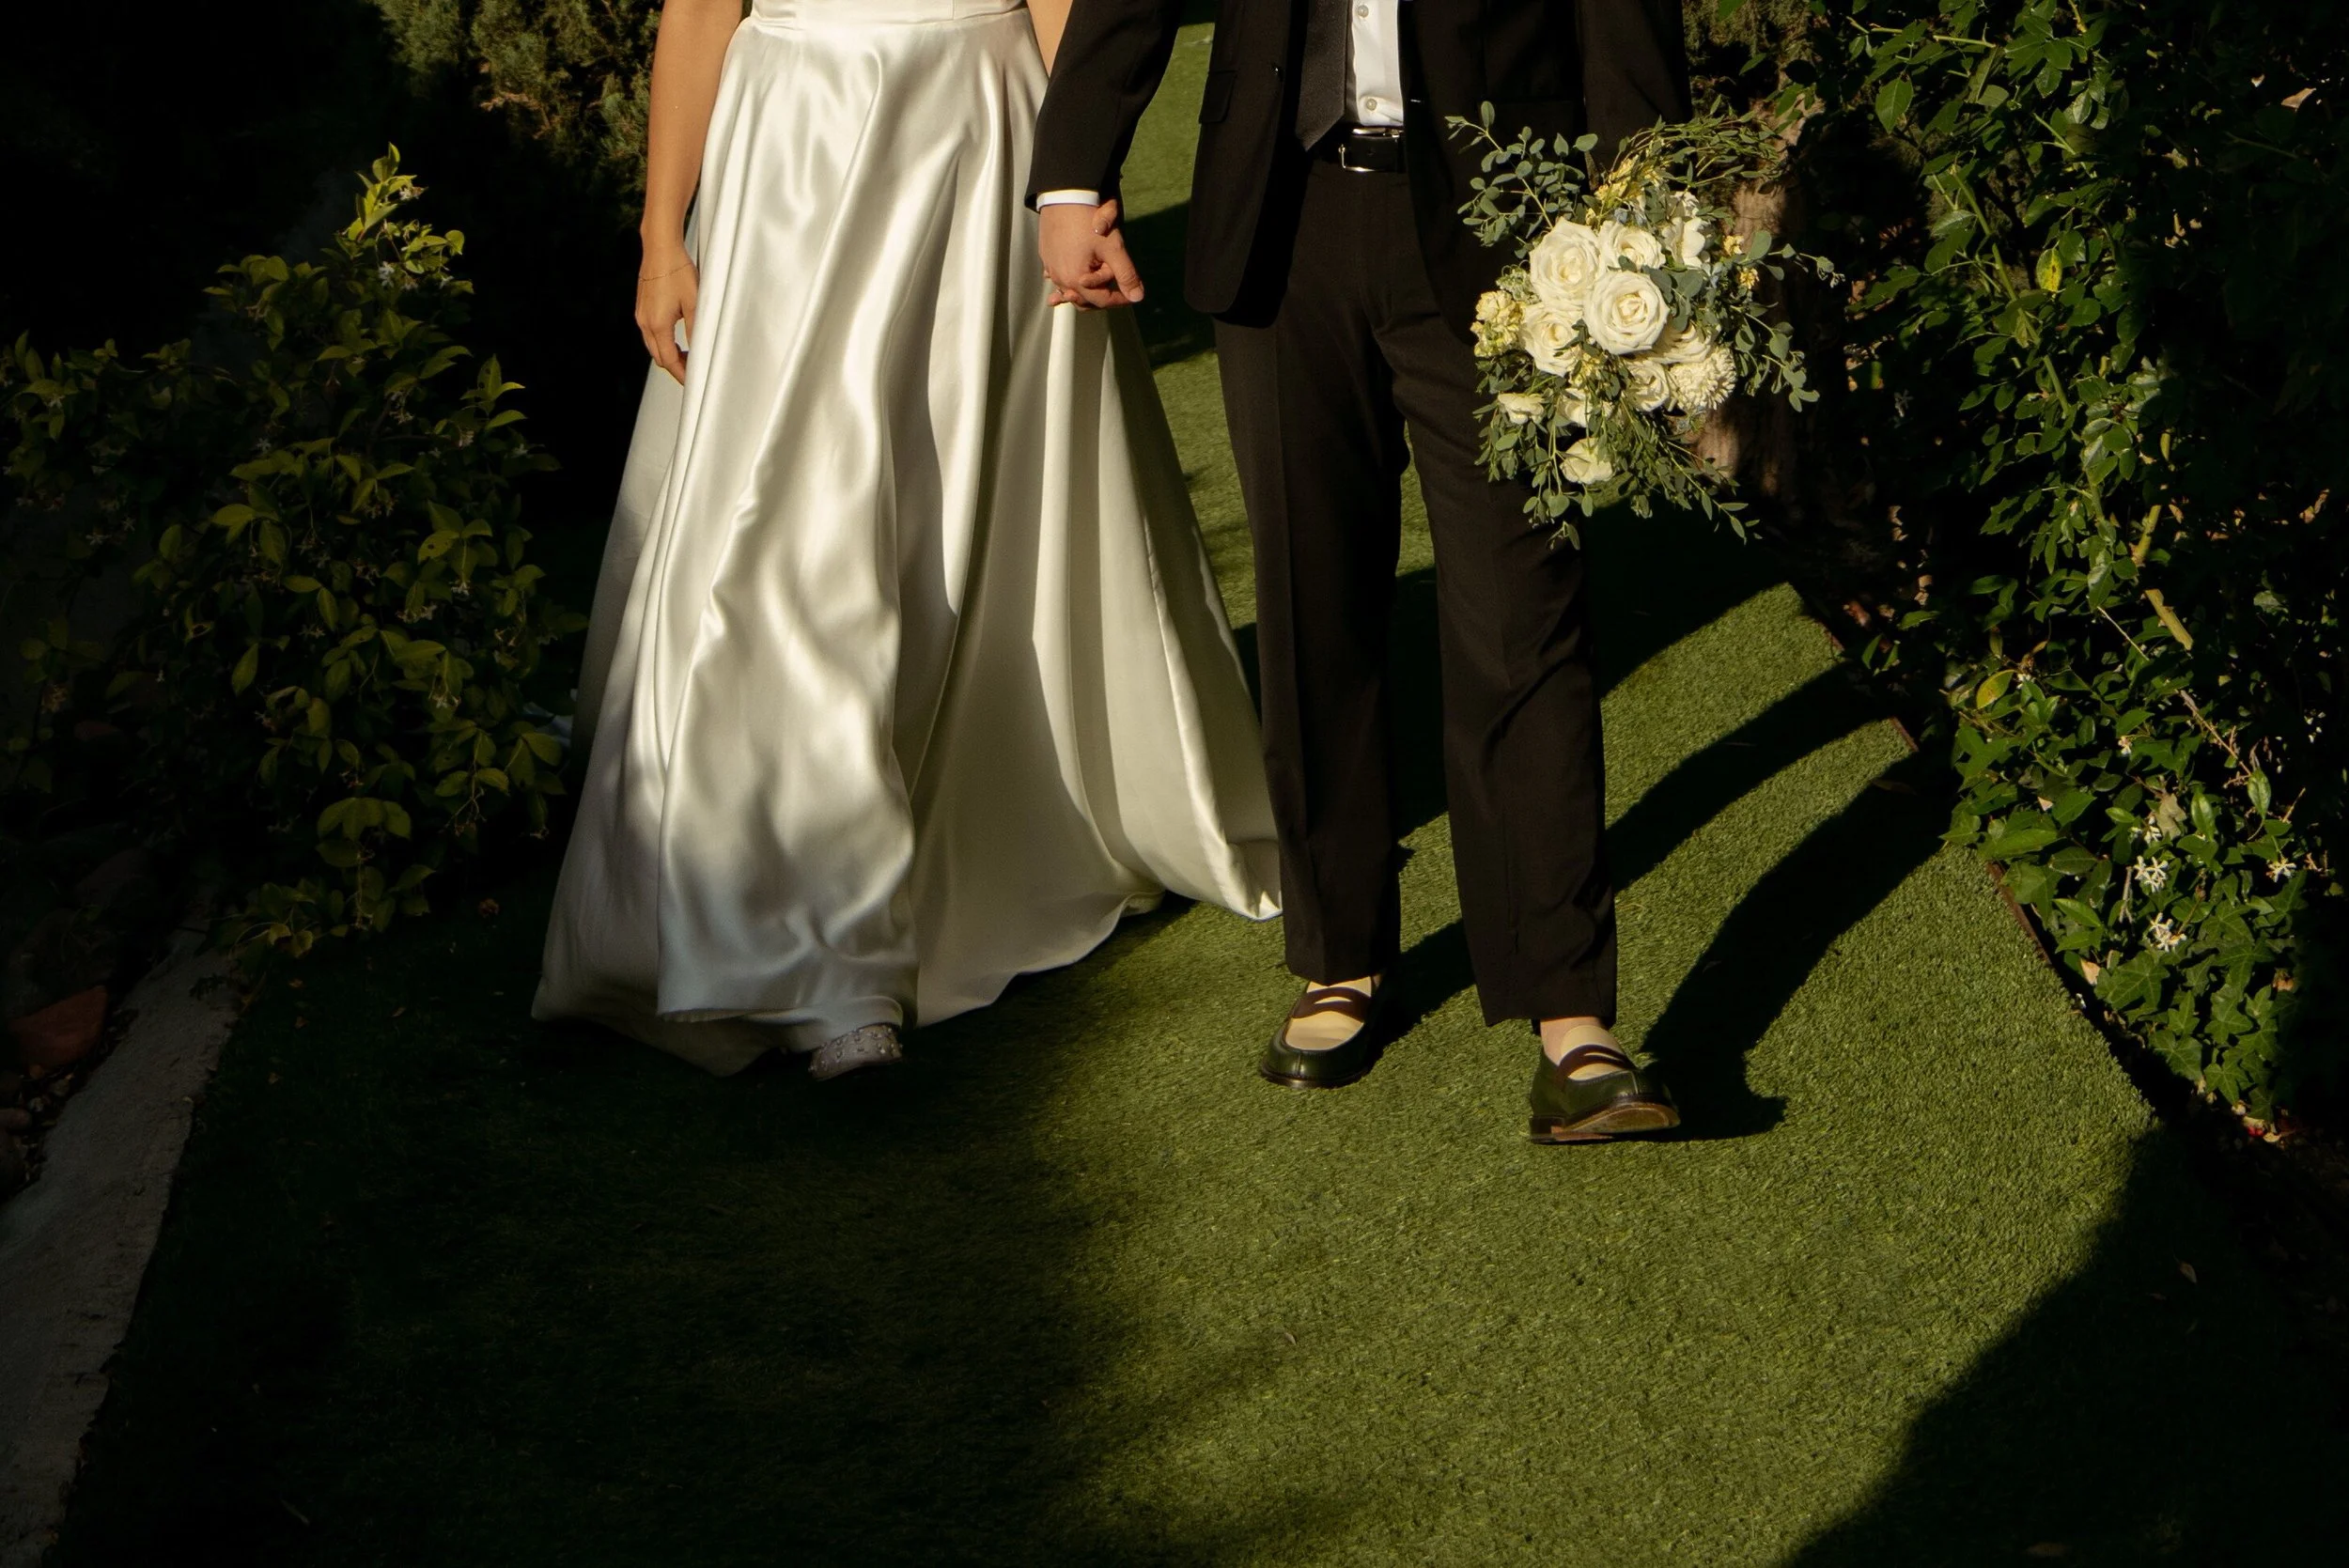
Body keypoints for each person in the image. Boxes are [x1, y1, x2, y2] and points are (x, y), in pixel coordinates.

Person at [534, 0, 1281, 1081]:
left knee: (969, 506)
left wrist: (1075, 174)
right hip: (798, 143)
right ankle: (825, 947)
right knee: (799, 521)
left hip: (981, 127)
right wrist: (662, 233)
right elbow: (699, 8)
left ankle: (983, 838)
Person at [1033, 0, 1688, 1141]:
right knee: (1312, 605)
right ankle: (1339, 957)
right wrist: (1072, 172)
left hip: (1506, 219)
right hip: (1281, 219)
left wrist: (1642, 211)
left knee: (1521, 617)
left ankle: (1569, 1012)